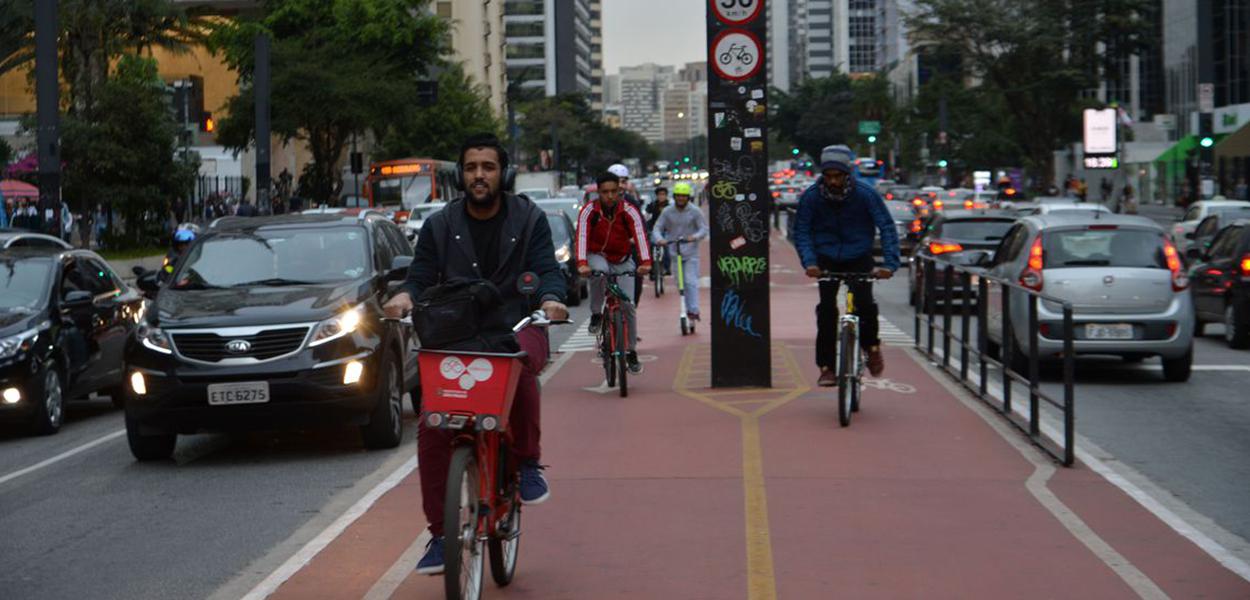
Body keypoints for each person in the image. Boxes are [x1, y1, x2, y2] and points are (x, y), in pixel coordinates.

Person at [382, 133, 568, 577]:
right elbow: (420, 275)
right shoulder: (440, 225)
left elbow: (547, 270)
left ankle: (525, 463)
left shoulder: (529, 218)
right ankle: (441, 534)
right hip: (457, 333)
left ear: (502, 172)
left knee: (518, 366)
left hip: (516, 326)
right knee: (432, 424)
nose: (479, 175)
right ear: (460, 175)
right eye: (470, 168)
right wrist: (406, 297)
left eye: (487, 167)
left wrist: (551, 300)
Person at [792, 144, 899, 385]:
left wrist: (890, 264)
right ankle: (827, 367)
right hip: (825, 259)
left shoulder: (866, 195)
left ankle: (871, 347)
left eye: (837, 176)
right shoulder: (811, 197)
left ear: (847, 174)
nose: (832, 182)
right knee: (827, 311)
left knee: (865, 305)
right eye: (828, 176)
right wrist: (810, 262)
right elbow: (801, 231)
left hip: (859, 255)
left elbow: (887, 227)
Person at [575, 170, 652, 374]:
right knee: (598, 271)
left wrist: (645, 263)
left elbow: (641, 236)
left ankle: (631, 351)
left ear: (620, 190)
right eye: (605, 192)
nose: (610, 196)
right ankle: (596, 315)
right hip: (597, 255)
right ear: (598, 192)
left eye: (614, 191)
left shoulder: (629, 210)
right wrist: (582, 263)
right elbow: (582, 237)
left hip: (622, 259)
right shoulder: (588, 212)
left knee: (628, 305)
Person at [651, 181, 708, 322]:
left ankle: (693, 310)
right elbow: (657, 228)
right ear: (674, 197)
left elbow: (704, 229)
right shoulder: (668, 211)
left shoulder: (695, 211)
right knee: (680, 283)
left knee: (690, 281)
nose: (681, 199)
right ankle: (686, 307)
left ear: (688, 197)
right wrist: (660, 239)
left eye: (684, 196)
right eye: (678, 196)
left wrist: (693, 237)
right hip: (674, 252)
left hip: (690, 253)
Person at [645, 187, 672, 276]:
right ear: (657, 196)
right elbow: (647, 218)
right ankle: (652, 268)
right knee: (650, 246)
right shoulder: (651, 206)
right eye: (660, 194)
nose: (661, 196)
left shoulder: (670, 206)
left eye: (663, 194)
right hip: (654, 230)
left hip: (666, 231)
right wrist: (647, 229)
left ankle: (666, 267)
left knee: (667, 249)